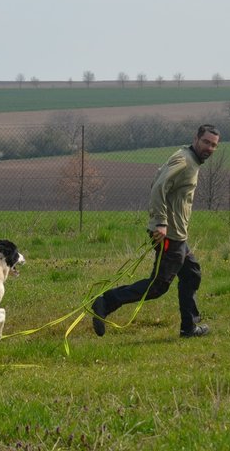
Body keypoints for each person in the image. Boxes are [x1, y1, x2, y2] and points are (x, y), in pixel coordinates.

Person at [92, 124, 220, 338]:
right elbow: (159, 185)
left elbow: (161, 181)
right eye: (206, 142)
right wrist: (160, 222)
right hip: (169, 236)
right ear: (196, 139)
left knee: (191, 273)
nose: (209, 147)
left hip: (177, 236)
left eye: (213, 145)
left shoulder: (190, 160)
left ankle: (189, 327)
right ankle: (106, 302)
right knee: (157, 286)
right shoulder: (185, 160)